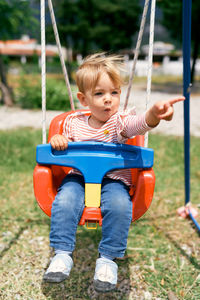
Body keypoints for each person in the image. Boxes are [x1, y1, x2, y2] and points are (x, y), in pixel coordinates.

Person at [43, 53, 185, 292]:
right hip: (78, 178)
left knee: (120, 206)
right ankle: (62, 254)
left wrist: (155, 114)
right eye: (99, 94)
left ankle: (108, 259)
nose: (108, 100)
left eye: (114, 92)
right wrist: (58, 139)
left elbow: (139, 124)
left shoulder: (119, 122)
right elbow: (63, 142)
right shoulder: (73, 122)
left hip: (114, 181)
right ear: (83, 98)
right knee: (65, 200)